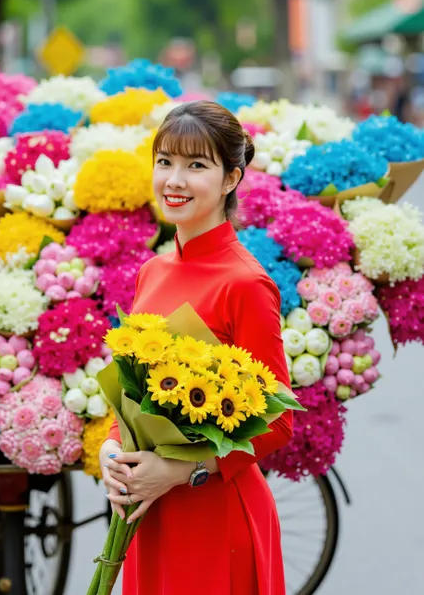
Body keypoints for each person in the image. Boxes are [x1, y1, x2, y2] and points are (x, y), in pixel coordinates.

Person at [99, 101, 293, 595]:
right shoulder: (152, 272)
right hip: (152, 514)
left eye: (196, 165)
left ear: (231, 179)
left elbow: (278, 423)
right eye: (165, 161)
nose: (174, 180)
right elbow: (131, 394)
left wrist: (180, 471)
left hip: (217, 517)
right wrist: (111, 451)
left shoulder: (246, 284)